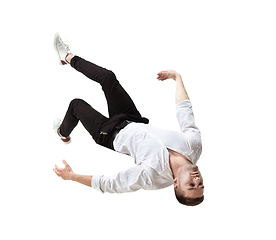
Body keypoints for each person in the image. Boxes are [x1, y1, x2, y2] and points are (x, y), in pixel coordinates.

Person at [52, 33, 204, 206]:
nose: (197, 180)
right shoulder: (194, 146)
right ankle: (66, 57)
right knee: (108, 78)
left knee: (76, 105)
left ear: (175, 183)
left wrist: (71, 176)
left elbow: (111, 183)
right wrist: (177, 77)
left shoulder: (152, 176)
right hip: (132, 119)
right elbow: (185, 112)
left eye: (191, 185)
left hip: (110, 134)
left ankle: (62, 132)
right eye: (201, 184)